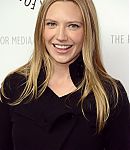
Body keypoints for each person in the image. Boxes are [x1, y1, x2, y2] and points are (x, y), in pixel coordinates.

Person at [0, 0, 130, 150]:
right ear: (40, 29)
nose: (61, 36)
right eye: (51, 24)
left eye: (73, 26)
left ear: (88, 31)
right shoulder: (15, 86)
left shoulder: (110, 94)